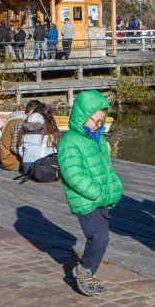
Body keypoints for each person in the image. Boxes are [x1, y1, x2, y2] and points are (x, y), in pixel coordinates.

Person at [58, 90, 123, 297]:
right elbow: (72, 174)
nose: (98, 124)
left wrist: (115, 185)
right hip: (86, 199)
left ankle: (86, 271)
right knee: (99, 237)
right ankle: (84, 271)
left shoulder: (97, 139)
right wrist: (96, 193)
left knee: (102, 238)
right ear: (82, 116)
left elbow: (106, 167)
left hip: (102, 198)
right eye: (95, 120)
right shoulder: (70, 141)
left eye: (101, 120)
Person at [18, 103, 60, 174]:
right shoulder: (50, 129)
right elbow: (55, 152)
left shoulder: (24, 127)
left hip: (27, 167)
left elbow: (21, 151)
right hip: (43, 168)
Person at [0, 100, 41, 172]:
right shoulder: (20, 123)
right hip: (13, 161)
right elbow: (16, 148)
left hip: (10, 158)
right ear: (32, 111)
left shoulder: (16, 119)